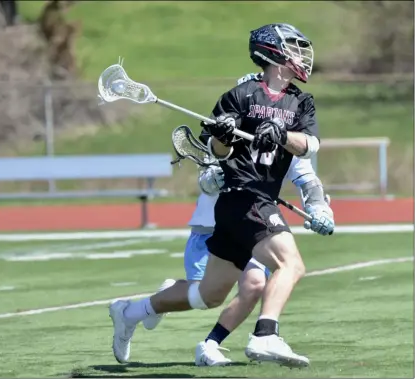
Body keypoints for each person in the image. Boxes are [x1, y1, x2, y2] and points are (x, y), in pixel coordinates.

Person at [109, 23, 328, 368]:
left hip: (248, 203)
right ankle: (265, 335)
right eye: (295, 48)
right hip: (245, 196)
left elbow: (309, 145)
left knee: (206, 294)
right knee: (292, 264)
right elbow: (219, 151)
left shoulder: (301, 101)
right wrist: (222, 133)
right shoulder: (240, 96)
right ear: (274, 53)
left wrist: (281, 134)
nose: (302, 56)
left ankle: (131, 311)